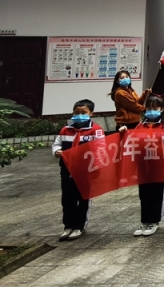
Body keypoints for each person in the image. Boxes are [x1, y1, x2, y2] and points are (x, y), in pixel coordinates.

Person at [119, 95, 164, 237]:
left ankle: (154, 221)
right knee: (144, 194)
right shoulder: (140, 126)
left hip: (159, 165)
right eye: (148, 108)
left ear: (161, 109)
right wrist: (124, 132)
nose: (151, 111)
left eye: (154, 108)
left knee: (156, 193)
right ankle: (144, 221)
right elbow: (131, 141)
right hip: (142, 165)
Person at [53, 99, 104, 241]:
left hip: (86, 170)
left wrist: (97, 167)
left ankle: (79, 226)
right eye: (76, 113)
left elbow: (101, 148)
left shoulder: (96, 130)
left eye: (83, 113)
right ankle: (68, 225)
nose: (79, 115)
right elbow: (57, 144)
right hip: (67, 169)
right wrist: (56, 151)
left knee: (83, 198)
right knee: (67, 198)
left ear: (91, 113)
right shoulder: (66, 130)